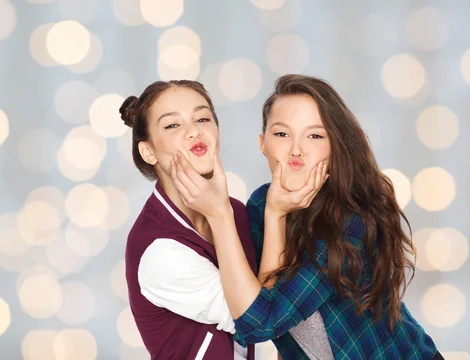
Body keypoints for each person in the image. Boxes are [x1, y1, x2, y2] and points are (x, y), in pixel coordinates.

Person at [171, 74, 442, 359]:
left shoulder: (351, 219)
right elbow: (268, 311)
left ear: (335, 145)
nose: (296, 150)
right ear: (262, 143)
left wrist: (221, 214)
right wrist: (275, 214)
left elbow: (260, 323)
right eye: (282, 134)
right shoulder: (261, 204)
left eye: (314, 135)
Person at [120, 80, 257, 360]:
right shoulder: (158, 249)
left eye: (202, 118)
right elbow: (256, 319)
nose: (194, 131)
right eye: (173, 125)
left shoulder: (235, 212)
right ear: (149, 152)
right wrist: (276, 212)